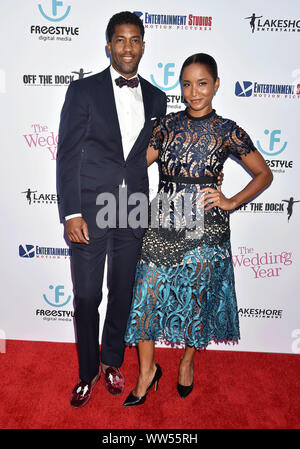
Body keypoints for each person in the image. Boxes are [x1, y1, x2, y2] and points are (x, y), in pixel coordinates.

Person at [123, 53, 273, 406]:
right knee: (146, 295)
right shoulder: (166, 126)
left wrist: (231, 201)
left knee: (197, 299)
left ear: (216, 84)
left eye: (202, 83)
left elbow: (264, 174)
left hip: (206, 227)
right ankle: (148, 371)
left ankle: (187, 360)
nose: (194, 92)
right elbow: (133, 165)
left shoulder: (228, 130)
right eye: (187, 84)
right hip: (162, 221)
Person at [56, 11, 167, 408]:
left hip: (134, 205)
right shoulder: (83, 91)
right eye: (120, 40)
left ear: (142, 45)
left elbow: (148, 154)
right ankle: (86, 372)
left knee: (121, 291)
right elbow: (67, 155)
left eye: (134, 39)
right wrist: (71, 213)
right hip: (89, 207)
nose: (127, 47)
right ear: (108, 45)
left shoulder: (157, 97)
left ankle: (112, 361)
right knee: (87, 296)